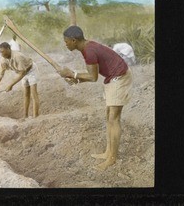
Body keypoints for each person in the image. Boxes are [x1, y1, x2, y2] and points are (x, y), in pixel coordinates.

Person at [57, 26, 133, 171]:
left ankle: (112, 158)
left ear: (74, 40)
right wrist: (77, 79)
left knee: (114, 119)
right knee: (109, 117)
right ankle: (108, 152)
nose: (65, 44)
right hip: (113, 78)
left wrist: (72, 74)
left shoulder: (89, 51)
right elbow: (92, 75)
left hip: (120, 78)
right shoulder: (88, 47)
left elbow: (93, 77)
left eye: (66, 41)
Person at [0, 42, 40, 118]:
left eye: (3, 52)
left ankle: (35, 116)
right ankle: (25, 116)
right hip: (22, 72)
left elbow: (22, 73)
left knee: (33, 93)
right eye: (0, 52)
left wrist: (11, 85)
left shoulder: (18, 56)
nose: (2, 54)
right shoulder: (3, 60)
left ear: (9, 49)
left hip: (31, 70)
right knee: (26, 94)